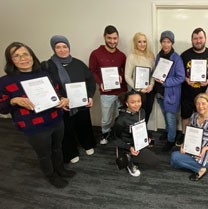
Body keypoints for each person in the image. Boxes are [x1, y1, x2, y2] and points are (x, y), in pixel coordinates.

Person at [0, 42, 75, 188]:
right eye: (17, 56)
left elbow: (56, 93)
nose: (23, 58)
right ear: (11, 61)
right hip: (34, 126)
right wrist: (14, 100)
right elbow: (2, 108)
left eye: (25, 54)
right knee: (44, 154)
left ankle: (60, 169)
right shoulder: (5, 82)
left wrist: (63, 99)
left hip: (55, 119)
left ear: (32, 56)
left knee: (57, 147)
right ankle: (51, 175)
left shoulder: (44, 74)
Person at [44, 35, 96, 164]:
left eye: (65, 46)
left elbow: (90, 80)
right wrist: (59, 100)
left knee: (84, 125)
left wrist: (90, 96)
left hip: (81, 103)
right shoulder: (48, 66)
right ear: (53, 48)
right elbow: (46, 87)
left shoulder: (78, 63)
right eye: (58, 47)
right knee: (66, 130)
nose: (62, 50)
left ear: (69, 47)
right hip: (63, 105)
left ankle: (87, 144)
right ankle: (71, 152)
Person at [177, 27, 208, 147]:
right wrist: (186, 79)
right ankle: (185, 135)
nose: (198, 41)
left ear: (205, 39)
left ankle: (200, 137)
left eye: (200, 38)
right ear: (192, 40)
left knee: (202, 116)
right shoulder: (184, 55)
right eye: (195, 39)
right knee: (185, 116)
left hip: (204, 94)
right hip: (187, 92)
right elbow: (179, 72)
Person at [170, 93, 208, 181]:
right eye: (198, 103)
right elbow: (190, 134)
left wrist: (205, 148)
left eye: (203, 103)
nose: (200, 106)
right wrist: (184, 145)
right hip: (193, 151)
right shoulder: (194, 116)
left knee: (174, 157)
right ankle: (192, 165)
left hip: (207, 157)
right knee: (173, 163)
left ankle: (200, 169)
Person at [89, 25, 128, 145]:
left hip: (121, 92)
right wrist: (100, 83)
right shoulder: (96, 54)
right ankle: (105, 133)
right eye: (109, 38)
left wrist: (121, 74)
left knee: (119, 116)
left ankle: (116, 134)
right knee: (106, 118)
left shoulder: (122, 55)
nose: (112, 41)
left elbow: (124, 70)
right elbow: (92, 71)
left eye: (115, 38)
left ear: (118, 38)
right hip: (106, 92)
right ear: (104, 37)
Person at [113, 91, 159, 177]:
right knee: (153, 160)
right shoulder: (121, 119)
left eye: (139, 101)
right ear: (127, 103)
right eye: (133, 102)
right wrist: (129, 148)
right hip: (128, 145)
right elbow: (114, 139)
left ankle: (135, 156)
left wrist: (147, 137)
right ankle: (129, 161)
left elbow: (143, 126)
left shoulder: (142, 112)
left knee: (154, 158)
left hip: (138, 141)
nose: (137, 104)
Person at [154, 30, 185, 151]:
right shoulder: (158, 55)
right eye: (163, 41)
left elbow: (181, 77)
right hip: (159, 93)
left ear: (172, 43)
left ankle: (171, 139)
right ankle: (168, 133)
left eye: (168, 42)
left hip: (171, 94)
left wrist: (165, 82)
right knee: (165, 115)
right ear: (161, 42)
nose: (166, 44)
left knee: (171, 118)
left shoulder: (176, 58)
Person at [125, 32, 155, 123]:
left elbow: (154, 73)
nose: (142, 44)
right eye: (139, 42)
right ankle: (136, 135)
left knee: (147, 113)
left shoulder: (151, 55)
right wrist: (138, 89)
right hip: (136, 92)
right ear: (135, 43)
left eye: (144, 42)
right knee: (136, 115)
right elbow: (127, 76)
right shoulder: (131, 57)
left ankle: (144, 133)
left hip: (149, 91)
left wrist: (151, 84)